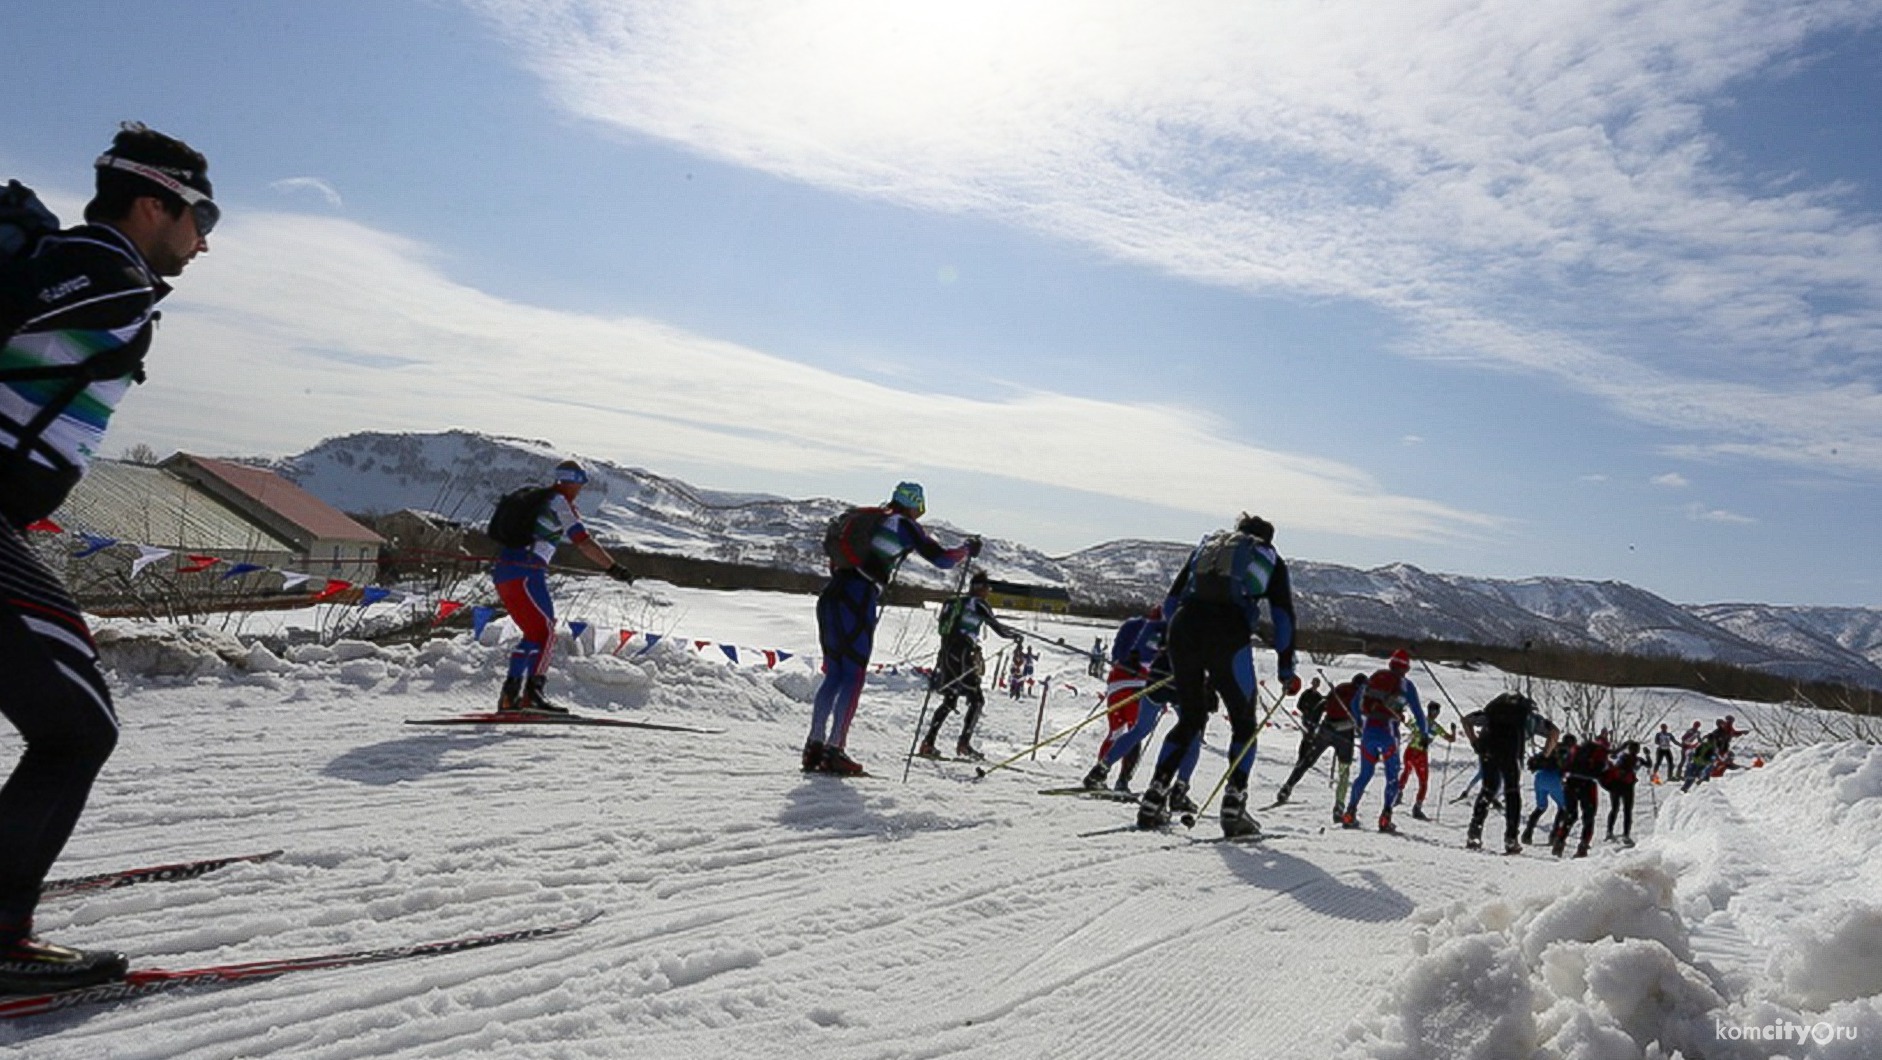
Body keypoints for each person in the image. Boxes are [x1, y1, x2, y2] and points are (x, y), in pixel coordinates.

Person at [0, 123, 217, 993]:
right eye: (202, 215)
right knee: (76, 725)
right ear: (152, 201)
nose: (205, 241)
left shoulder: (83, 268)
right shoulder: (100, 269)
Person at [1135, 513, 1300, 839]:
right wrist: (1286, 667)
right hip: (1228, 633)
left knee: (1190, 717)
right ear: (1268, 538)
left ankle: (1154, 797)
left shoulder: (1208, 548)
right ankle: (1234, 807)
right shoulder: (1269, 558)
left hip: (1183, 628)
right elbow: (1283, 617)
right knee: (1243, 722)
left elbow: (1169, 604)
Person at [804, 483, 976, 775]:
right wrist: (966, 551)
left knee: (834, 674)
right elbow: (942, 559)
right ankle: (835, 749)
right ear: (915, 506)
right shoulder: (903, 524)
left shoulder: (872, 520)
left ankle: (814, 747)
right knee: (853, 675)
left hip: (832, 593)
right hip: (857, 597)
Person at [489, 461, 633, 714]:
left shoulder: (539, 500)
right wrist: (613, 568)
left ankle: (510, 697)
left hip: (505, 571)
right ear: (574, 482)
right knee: (545, 632)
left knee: (534, 634)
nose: (580, 489)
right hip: (527, 572)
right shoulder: (559, 502)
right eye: (580, 484)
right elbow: (582, 541)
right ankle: (532, 695)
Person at [919, 571, 1023, 760]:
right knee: (977, 700)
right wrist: (1015, 636)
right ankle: (964, 744)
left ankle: (928, 742)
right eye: (987, 588)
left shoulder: (954, 603)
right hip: (964, 655)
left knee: (950, 699)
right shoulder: (978, 604)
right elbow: (997, 627)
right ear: (981, 588)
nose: (988, 592)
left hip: (947, 654)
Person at [1340, 649, 1429, 833]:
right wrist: (1424, 734)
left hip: (1368, 732)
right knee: (1392, 777)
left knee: (1364, 775)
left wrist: (1358, 722)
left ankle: (1350, 812)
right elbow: (1419, 714)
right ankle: (1385, 817)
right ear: (1406, 668)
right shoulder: (1407, 686)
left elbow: (1355, 703)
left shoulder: (1375, 678)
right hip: (1389, 733)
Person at [1462, 691, 1559, 855]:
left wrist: (1475, 742)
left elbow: (1466, 720)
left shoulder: (1492, 713)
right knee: (1512, 792)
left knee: (1488, 789)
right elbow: (1554, 732)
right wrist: (1544, 757)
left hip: (1488, 749)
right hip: (1511, 753)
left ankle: (1474, 833)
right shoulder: (1529, 717)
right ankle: (1511, 839)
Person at [1082, 608, 1165, 793]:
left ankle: (1098, 775)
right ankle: (1122, 782)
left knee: (1115, 731)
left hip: (1116, 683)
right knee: (1135, 733)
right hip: (1139, 686)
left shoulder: (1130, 624)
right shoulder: (1162, 630)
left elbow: (1117, 653)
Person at [1273, 673, 1363, 821]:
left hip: (1326, 729)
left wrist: (1312, 723)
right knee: (1344, 771)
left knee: (1307, 760)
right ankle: (1339, 806)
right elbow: (1362, 716)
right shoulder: (1360, 694)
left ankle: (1287, 787)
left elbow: (1322, 704)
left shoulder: (1340, 688)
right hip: (1344, 734)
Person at [1549, 734, 1610, 858]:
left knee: (1570, 815)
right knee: (1588, 817)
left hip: (1570, 782)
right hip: (1587, 785)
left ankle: (1559, 841)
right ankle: (1583, 847)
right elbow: (1603, 773)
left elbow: (1564, 765)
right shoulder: (1601, 752)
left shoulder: (1578, 750)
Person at [1394, 701, 1454, 820]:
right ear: (1436, 713)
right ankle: (1417, 807)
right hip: (1420, 754)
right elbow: (1451, 739)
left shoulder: (1419, 720)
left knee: (1406, 771)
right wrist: (1453, 730)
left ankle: (1398, 794)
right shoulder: (1435, 727)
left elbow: (1406, 722)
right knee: (1423, 782)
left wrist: (1400, 714)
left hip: (1410, 751)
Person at [1521, 735, 1573, 846]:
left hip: (1540, 778)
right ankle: (1554, 835)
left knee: (1541, 807)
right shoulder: (1568, 753)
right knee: (1564, 808)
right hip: (1554, 779)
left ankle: (1527, 834)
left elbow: (1535, 760)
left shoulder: (1552, 747)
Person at [1603, 740, 1642, 846]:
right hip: (1627, 787)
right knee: (1627, 811)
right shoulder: (1633, 759)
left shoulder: (1623, 757)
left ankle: (1610, 832)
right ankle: (1625, 834)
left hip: (1616, 786)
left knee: (1615, 809)